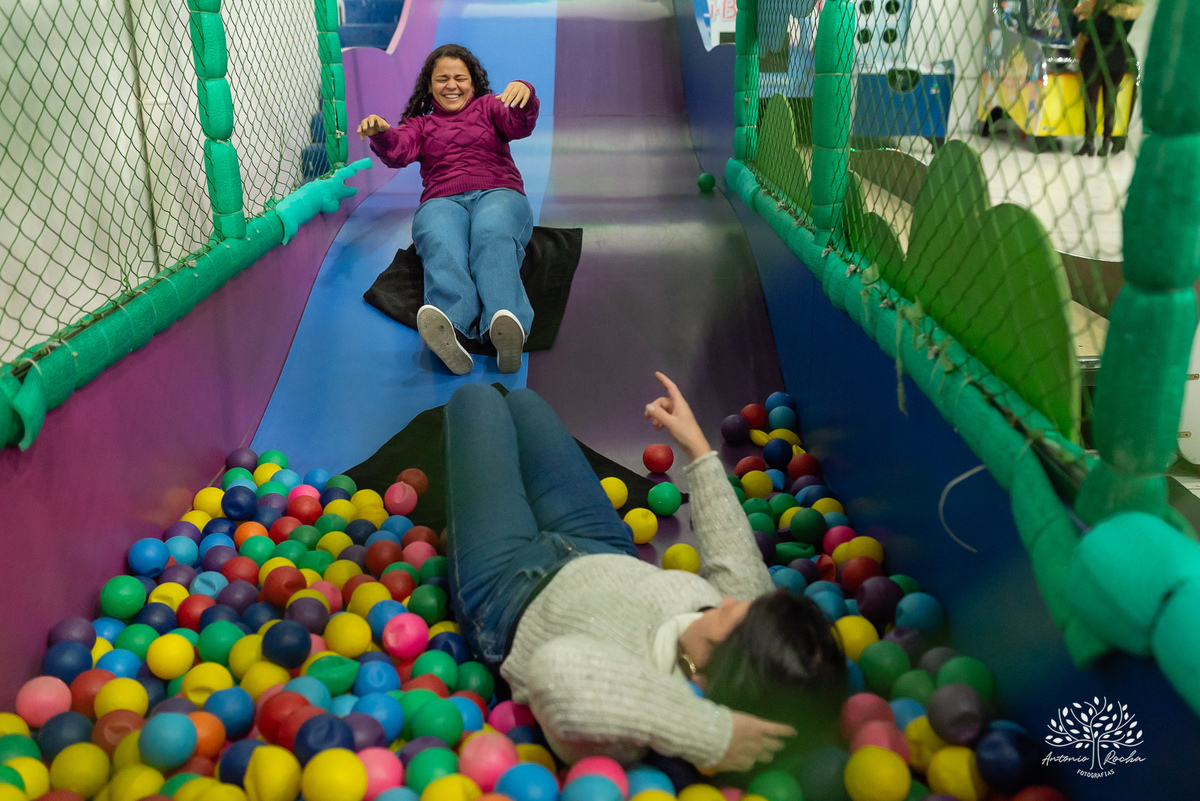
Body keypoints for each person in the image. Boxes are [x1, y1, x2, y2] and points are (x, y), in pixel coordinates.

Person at [442, 373, 847, 772]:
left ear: (710, 675)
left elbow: (557, 668)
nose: (727, 601)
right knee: (523, 405)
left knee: (476, 399)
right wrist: (696, 446)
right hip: (599, 544)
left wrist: (711, 733)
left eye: (729, 618)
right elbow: (733, 553)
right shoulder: (742, 623)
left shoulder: (628, 727)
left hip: (508, 591)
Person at [357, 44, 539, 375]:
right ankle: (451, 329)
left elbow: (518, 125)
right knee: (440, 240)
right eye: (442, 78)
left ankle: (507, 329)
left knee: (491, 232)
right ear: (429, 85)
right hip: (443, 199)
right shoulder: (421, 125)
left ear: (473, 83)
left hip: (497, 191)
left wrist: (524, 92)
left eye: (460, 78)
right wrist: (382, 134)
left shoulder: (489, 107)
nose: (451, 85)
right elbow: (398, 149)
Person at [1070, 0, 1143, 156]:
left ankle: (1089, 142)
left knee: (1091, 101)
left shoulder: (1099, 9)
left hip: (1095, 57)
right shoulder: (1130, 12)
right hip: (1117, 58)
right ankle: (1106, 142)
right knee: (1110, 102)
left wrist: (1082, 18)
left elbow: (1084, 29)